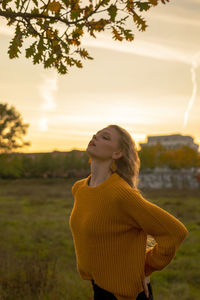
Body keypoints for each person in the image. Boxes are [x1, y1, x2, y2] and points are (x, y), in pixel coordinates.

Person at [69, 124, 188, 300]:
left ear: (117, 153)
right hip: (99, 287)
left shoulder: (121, 194)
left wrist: (144, 268)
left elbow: (175, 232)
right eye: (97, 134)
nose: (95, 137)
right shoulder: (80, 188)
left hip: (126, 295)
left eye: (105, 137)